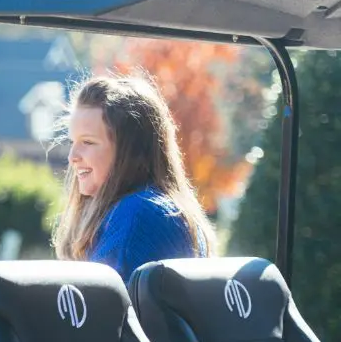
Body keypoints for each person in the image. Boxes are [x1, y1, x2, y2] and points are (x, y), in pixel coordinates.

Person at [52, 73, 217, 281]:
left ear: (129, 152)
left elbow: (95, 310)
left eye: (88, 142)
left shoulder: (137, 216)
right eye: (72, 142)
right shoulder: (152, 208)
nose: (72, 157)